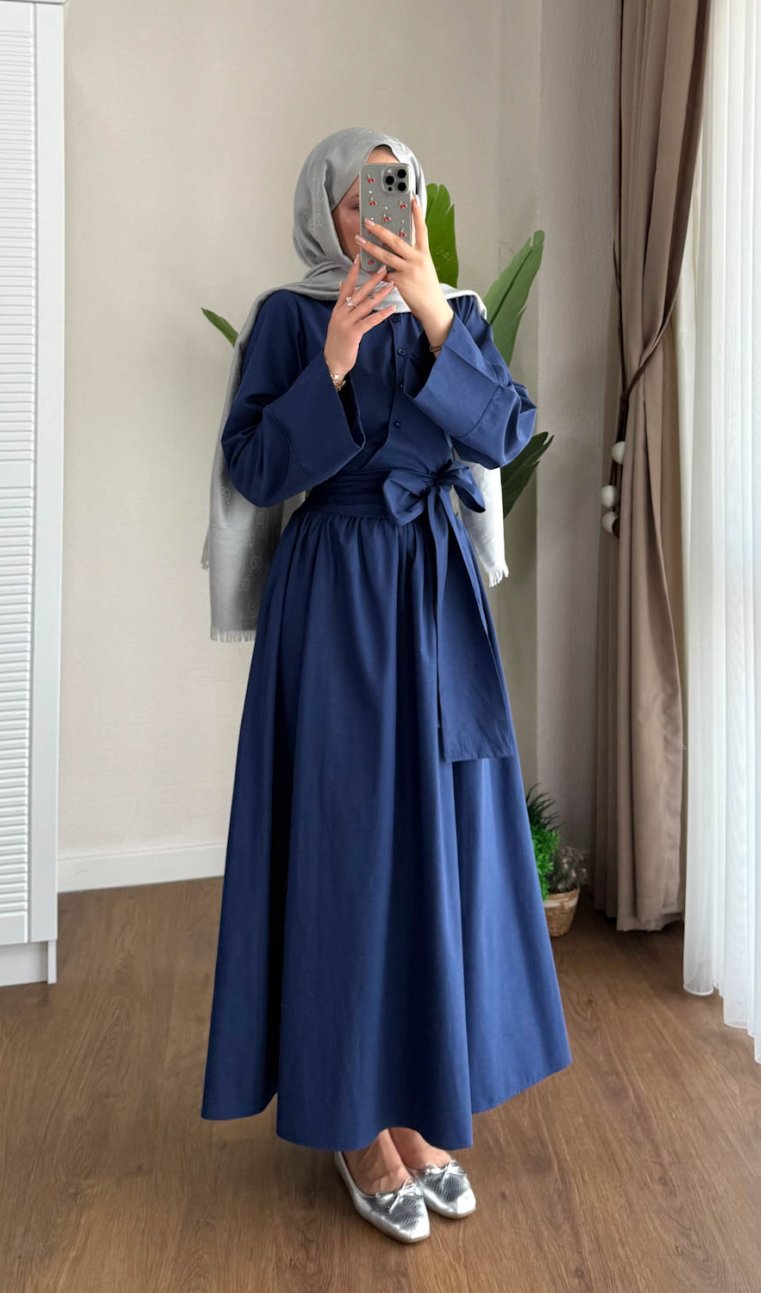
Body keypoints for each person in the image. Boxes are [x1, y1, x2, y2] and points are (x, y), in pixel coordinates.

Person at [200, 127, 572, 1244]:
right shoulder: (286, 315)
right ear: (327, 206)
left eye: (396, 186)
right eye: (361, 192)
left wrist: (435, 316)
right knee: (348, 850)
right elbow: (254, 468)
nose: (380, 210)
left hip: (437, 596)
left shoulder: (452, 307)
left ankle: (415, 1108)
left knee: (438, 849)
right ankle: (354, 1125)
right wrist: (331, 365)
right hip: (337, 601)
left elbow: (505, 430)